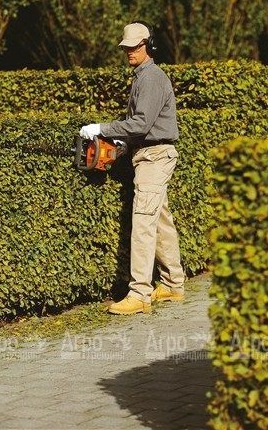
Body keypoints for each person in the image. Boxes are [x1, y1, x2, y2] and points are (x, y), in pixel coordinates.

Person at [79, 21, 185, 315]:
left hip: (154, 157)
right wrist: (120, 144)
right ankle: (173, 284)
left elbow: (140, 123)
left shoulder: (150, 77)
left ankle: (139, 293)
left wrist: (101, 128)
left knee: (142, 224)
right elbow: (142, 127)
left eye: (134, 47)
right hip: (149, 153)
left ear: (148, 46)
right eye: (126, 47)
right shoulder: (143, 76)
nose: (129, 51)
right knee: (160, 221)